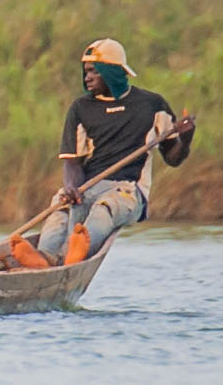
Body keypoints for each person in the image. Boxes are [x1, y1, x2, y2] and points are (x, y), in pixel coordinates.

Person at [21, 38, 197, 266]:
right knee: (60, 208)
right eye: (86, 71)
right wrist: (72, 188)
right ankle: (44, 258)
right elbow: (72, 163)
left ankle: (76, 253)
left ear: (113, 72)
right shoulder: (80, 108)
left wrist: (186, 139)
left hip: (127, 190)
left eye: (94, 71)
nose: (87, 77)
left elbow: (174, 158)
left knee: (104, 209)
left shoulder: (152, 105)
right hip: (87, 187)